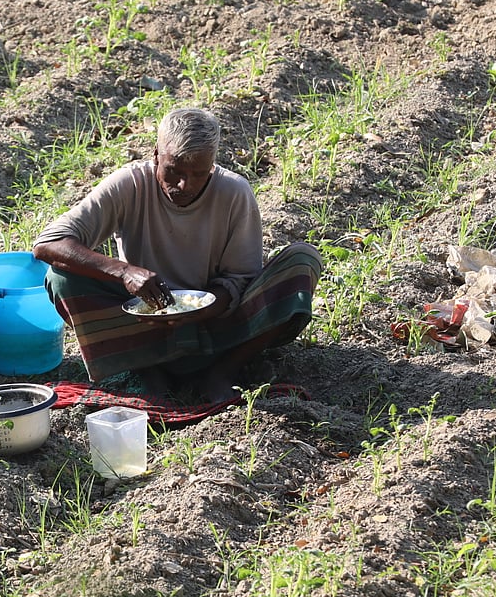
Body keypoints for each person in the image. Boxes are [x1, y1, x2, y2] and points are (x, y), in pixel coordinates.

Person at [32, 108, 323, 403]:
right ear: (156, 154)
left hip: (217, 328)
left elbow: (241, 278)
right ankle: (144, 368)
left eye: (199, 174)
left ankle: (223, 371)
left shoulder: (233, 192)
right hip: (143, 325)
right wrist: (122, 271)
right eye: (174, 171)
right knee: (61, 275)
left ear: (212, 164)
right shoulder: (130, 184)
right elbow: (48, 243)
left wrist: (201, 309)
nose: (185, 185)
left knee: (302, 260)